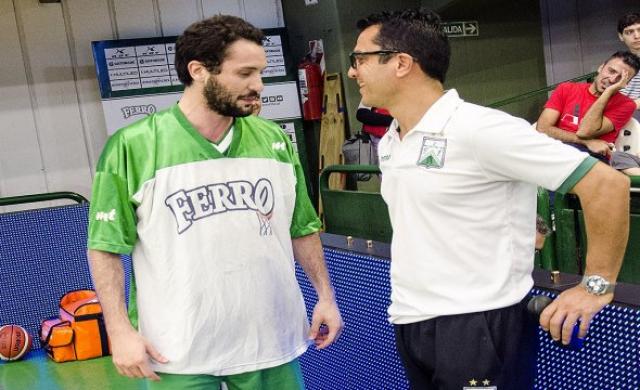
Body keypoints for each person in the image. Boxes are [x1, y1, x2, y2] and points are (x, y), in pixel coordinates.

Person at [348, 8, 629, 389]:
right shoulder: (394, 140)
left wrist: (597, 285)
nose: (352, 71)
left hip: (479, 324)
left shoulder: (482, 129)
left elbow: (605, 185)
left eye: (359, 59)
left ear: (401, 63)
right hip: (411, 319)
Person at [87, 15, 342, 389]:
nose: (259, 85)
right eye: (245, 73)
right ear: (199, 71)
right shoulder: (133, 146)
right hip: (178, 348)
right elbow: (105, 247)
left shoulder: (273, 140)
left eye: (260, 72)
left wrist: (325, 295)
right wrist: (119, 329)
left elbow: (301, 227)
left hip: (269, 340)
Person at [536, 51, 639, 163]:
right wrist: (586, 142)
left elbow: (585, 132)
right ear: (601, 67)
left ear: (626, 84)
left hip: (591, 157)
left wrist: (608, 92)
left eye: (621, 78)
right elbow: (542, 128)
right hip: (555, 149)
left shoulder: (626, 104)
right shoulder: (566, 88)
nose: (612, 80)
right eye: (611, 71)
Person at [609, 13, 640, 175]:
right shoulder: (618, 64)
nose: (636, 36)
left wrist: (629, 105)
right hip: (622, 119)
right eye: (629, 32)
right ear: (621, 37)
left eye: (639, 30)